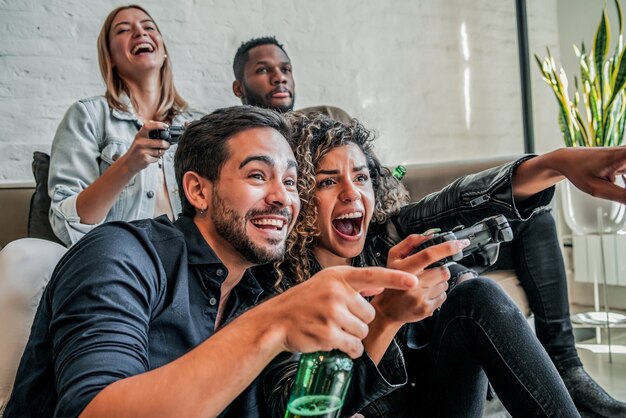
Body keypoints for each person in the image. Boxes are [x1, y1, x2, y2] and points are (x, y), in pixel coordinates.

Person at [232, 35, 626, 417]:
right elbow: (296, 406)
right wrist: (385, 318)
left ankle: (568, 372)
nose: (353, 194)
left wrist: (554, 164)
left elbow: (456, 200)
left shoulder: (382, 235)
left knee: (478, 296)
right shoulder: (274, 280)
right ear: (298, 194)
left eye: (362, 178)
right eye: (328, 181)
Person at [3, 106, 423, 418]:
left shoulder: (255, 290)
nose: (283, 197)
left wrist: (385, 317)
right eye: (258, 175)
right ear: (198, 192)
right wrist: (273, 324)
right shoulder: (119, 255)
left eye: (292, 181)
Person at [48, 4, 203, 247]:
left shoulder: (200, 123)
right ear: (109, 57)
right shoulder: (88, 115)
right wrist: (127, 164)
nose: (140, 33)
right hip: (121, 258)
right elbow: (66, 224)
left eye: (148, 27)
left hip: (191, 260)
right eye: (122, 30)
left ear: (163, 50)